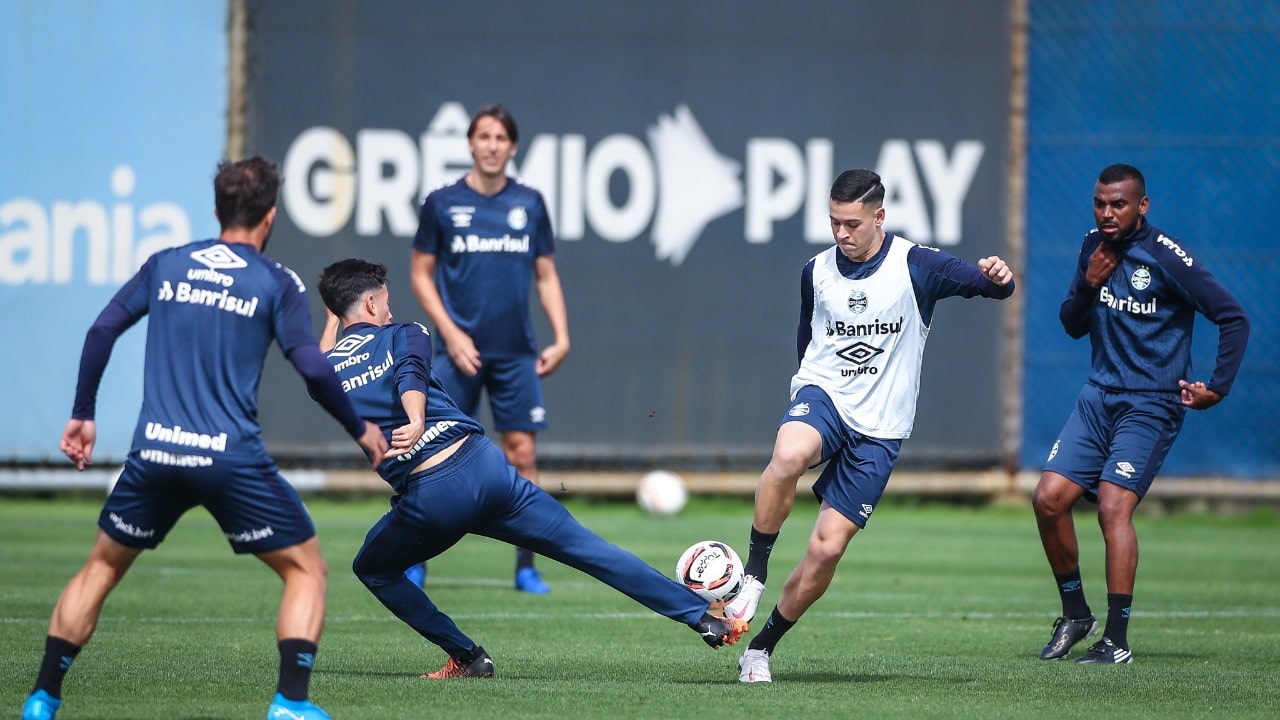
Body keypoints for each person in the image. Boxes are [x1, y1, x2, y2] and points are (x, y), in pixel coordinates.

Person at [19, 157, 389, 720]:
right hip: (229, 458)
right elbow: (314, 368)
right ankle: (291, 703)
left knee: (101, 568)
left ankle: (42, 698)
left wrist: (82, 413)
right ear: (269, 216)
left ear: (217, 210)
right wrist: (361, 427)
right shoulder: (276, 281)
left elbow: (102, 329)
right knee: (306, 569)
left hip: (156, 453)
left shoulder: (166, 264)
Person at [316, 258, 745, 679]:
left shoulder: (323, 372)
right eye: (385, 300)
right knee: (588, 548)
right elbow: (410, 374)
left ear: (336, 313)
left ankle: (468, 657)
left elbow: (326, 359)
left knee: (372, 568)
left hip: (433, 494)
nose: (390, 308)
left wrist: (333, 315)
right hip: (486, 469)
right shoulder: (407, 333)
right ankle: (702, 617)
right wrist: (415, 417)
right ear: (371, 305)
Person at [721, 169, 1016, 683]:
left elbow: (989, 288)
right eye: (833, 222)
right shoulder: (815, 270)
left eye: (852, 223)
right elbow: (807, 340)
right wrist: (806, 396)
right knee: (788, 455)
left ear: (879, 216)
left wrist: (1000, 277)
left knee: (826, 549)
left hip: (881, 425)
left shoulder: (917, 265)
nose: (841, 233)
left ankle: (760, 648)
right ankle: (754, 572)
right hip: (826, 396)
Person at [1030, 164, 1249, 664]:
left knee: (1112, 507)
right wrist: (1088, 285)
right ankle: (1075, 614)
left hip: (1149, 403)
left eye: (1119, 205)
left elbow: (1234, 316)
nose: (1107, 213)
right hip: (1097, 397)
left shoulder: (1168, 258)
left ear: (1141, 206)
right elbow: (1070, 324)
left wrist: (1217, 387)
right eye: (1100, 204)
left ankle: (1117, 641)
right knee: (1047, 500)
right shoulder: (1093, 247)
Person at [410, 103, 569, 594]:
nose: (492, 145)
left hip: (516, 352)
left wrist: (561, 336)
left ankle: (527, 566)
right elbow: (420, 272)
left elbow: (545, 274)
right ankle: (414, 559)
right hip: (457, 353)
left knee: (522, 454)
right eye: (484, 136)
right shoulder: (442, 203)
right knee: (432, 454)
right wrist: (451, 333)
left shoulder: (530, 203)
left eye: (501, 137)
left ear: (513, 146)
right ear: (471, 145)